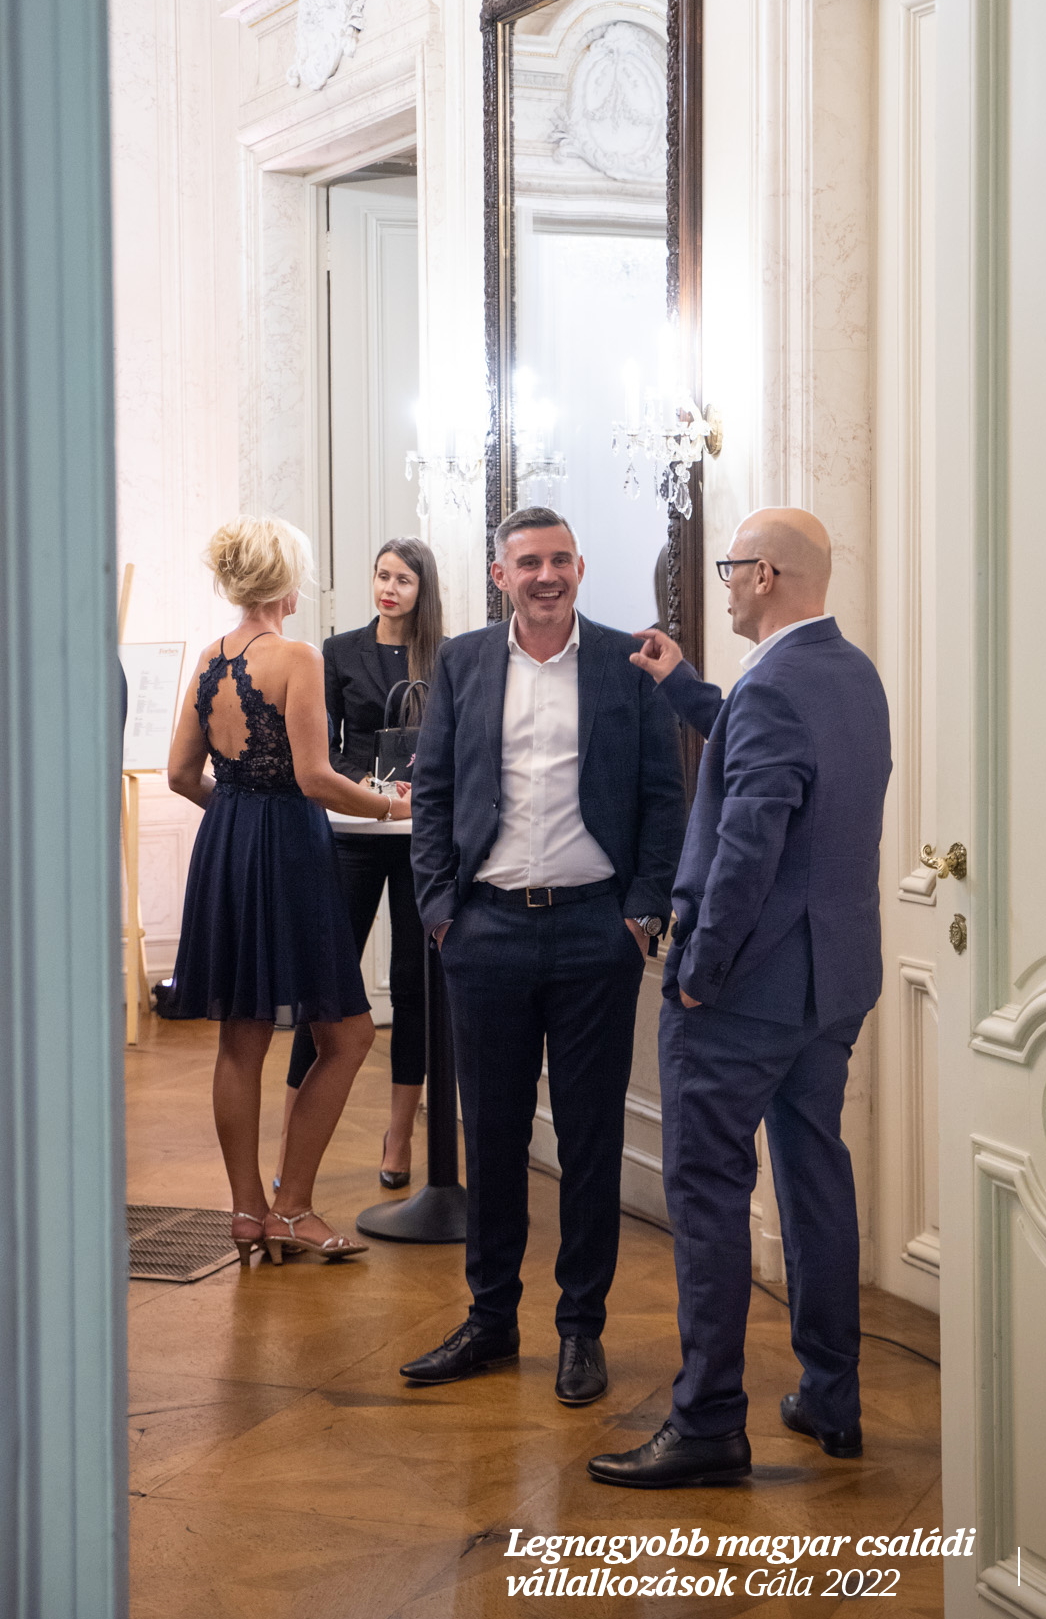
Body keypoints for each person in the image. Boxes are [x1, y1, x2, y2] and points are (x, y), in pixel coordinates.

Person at [587, 508, 892, 1487]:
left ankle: (709, 1420)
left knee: (709, 1194)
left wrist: (697, 974)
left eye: (729, 568)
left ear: (763, 574)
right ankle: (831, 1397)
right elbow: (770, 753)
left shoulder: (775, 690)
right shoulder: (850, 675)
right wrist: (685, 687)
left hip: (742, 994)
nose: (722, 583)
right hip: (831, 983)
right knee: (814, 1175)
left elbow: (747, 851)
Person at [403, 506, 685, 1405]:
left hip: (595, 933)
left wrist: (640, 915)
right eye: (528, 562)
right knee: (491, 1136)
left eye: (560, 559)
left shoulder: (626, 663)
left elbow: (663, 795)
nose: (546, 575)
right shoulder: (463, 662)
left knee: (590, 1139)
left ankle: (580, 1329)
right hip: (483, 933)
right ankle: (490, 1321)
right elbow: (433, 792)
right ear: (501, 576)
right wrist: (441, 912)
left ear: (580, 567)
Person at [164, 517, 412, 1266]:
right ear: (284, 580)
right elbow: (315, 779)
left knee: (241, 1036)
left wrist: (239, 819)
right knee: (350, 1035)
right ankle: (293, 1208)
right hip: (290, 854)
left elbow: (180, 776)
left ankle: (249, 1212)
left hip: (226, 848)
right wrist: (393, 807)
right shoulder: (297, 657)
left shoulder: (210, 657)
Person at [277, 537, 444, 1192]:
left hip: (420, 838)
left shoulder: (445, 656)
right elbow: (328, 749)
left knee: (413, 984)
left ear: (422, 589)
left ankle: (399, 1136)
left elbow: (451, 746)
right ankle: (291, 1138)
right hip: (352, 830)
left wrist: (416, 793)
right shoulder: (339, 651)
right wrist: (371, 792)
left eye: (402, 579)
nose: (388, 589)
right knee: (324, 979)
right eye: (382, 576)